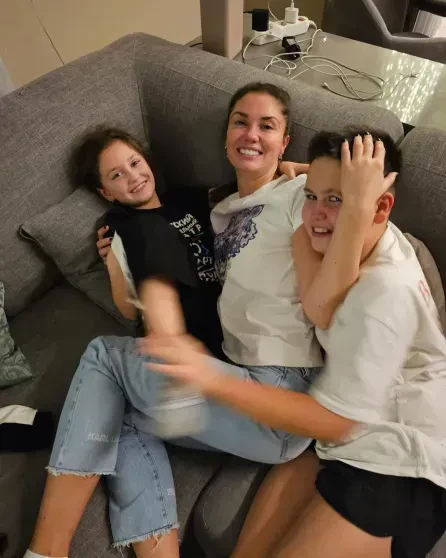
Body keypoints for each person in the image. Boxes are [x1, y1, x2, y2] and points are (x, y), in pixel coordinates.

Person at [25, 83, 380, 558]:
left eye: (267, 126)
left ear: (285, 139)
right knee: (117, 412)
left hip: (282, 393)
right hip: (243, 392)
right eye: (240, 122)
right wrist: (113, 265)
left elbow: (351, 243)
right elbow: (138, 287)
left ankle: (44, 551)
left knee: (103, 356)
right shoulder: (218, 209)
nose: (251, 134)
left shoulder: (301, 195)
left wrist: (309, 175)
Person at [144, 130, 446, 558]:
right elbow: (318, 307)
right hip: (343, 437)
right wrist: (328, 193)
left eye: (336, 199)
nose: (316, 214)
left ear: (378, 207)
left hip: (405, 459)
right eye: (311, 196)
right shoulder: (319, 236)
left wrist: (212, 380)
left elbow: (333, 420)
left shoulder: (385, 295)